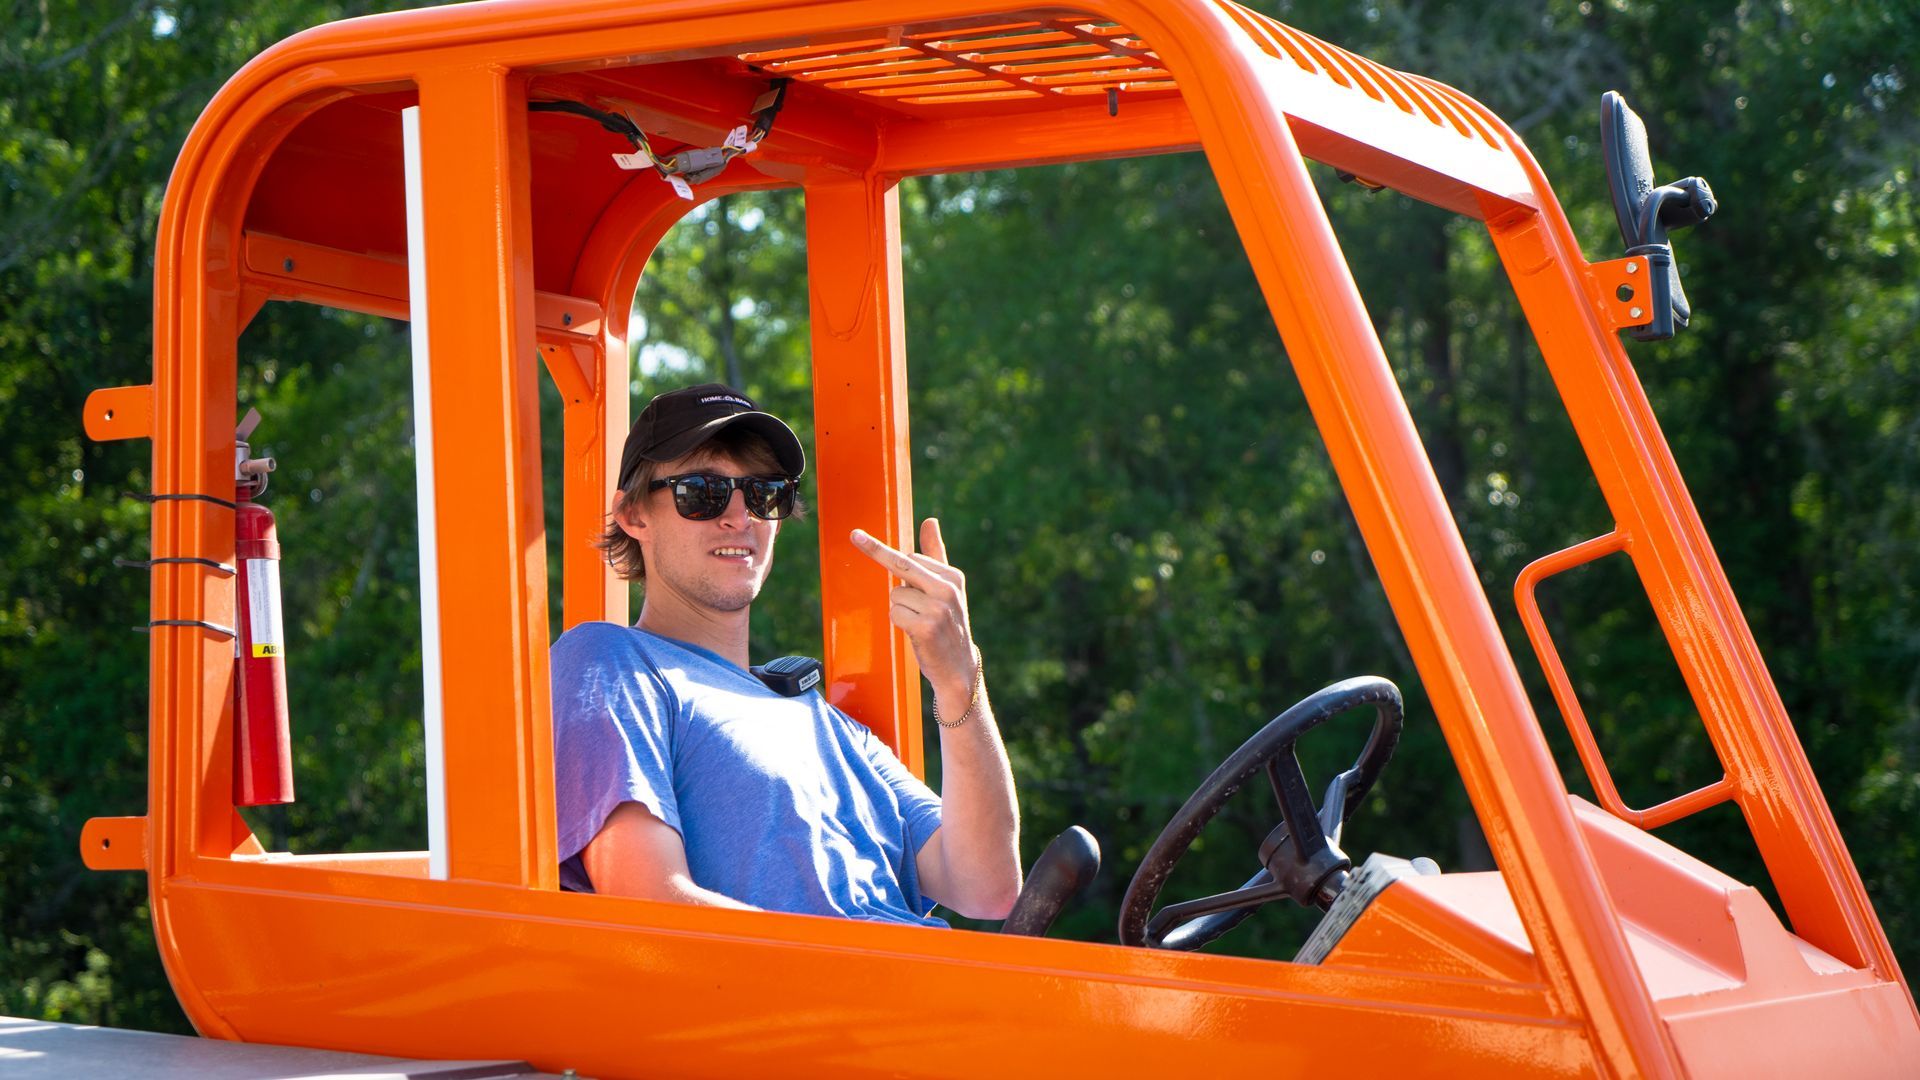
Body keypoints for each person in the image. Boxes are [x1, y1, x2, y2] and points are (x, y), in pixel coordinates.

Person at [551, 383, 1021, 925]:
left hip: (938, 991)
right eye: (700, 492)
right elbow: (651, 910)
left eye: (762, 493)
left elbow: (987, 887)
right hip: (841, 1001)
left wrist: (961, 679)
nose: (738, 516)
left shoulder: (832, 728)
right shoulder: (610, 663)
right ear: (634, 516)